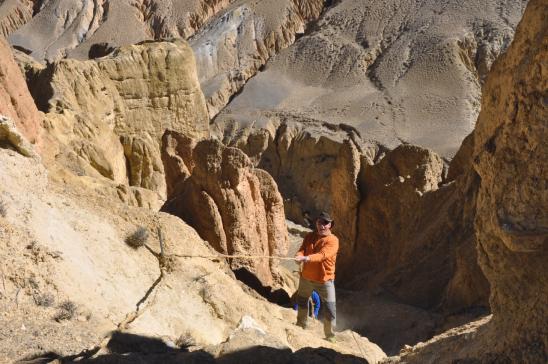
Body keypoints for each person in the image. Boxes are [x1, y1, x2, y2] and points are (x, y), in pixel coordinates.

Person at [294, 211, 339, 342]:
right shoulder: (309, 236)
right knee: (302, 300)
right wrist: (299, 255)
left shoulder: (333, 241)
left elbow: (323, 255)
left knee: (330, 307)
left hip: (325, 280)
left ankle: (330, 335)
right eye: (320, 222)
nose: (322, 225)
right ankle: (301, 325)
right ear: (316, 223)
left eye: (325, 223)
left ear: (330, 225)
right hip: (306, 277)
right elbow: (303, 249)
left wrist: (306, 258)